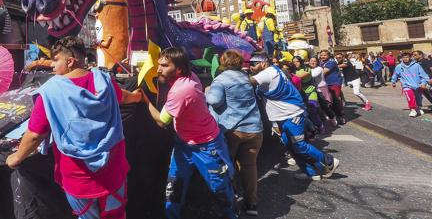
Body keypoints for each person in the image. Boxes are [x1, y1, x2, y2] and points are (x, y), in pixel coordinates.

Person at [6, 36, 143, 219]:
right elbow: (123, 96)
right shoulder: (104, 81)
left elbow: (35, 135)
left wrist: (17, 157)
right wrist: (136, 97)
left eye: (55, 60)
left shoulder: (50, 91)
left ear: (70, 61)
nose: (51, 66)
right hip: (113, 172)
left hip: (79, 179)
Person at [142, 47, 236, 219]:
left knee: (219, 188)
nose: (158, 69)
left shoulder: (182, 90)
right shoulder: (186, 76)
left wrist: (144, 99)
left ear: (178, 69)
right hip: (184, 144)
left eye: (164, 66)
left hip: (207, 146)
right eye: (158, 65)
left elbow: (162, 121)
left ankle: (231, 215)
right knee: (174, 187)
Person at [249, 53, 340, 181]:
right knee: (290, 146)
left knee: (299, 145)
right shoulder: (273, 70)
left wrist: (233, 74)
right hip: (282, 116)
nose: (251, 67)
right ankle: (311, 172)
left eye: (253, 64)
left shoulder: (267, 73)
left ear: (263, 63)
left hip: (291, 114)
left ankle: (329, 161)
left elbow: (247, 83)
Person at [206, 50, 262, 217]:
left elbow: (214, 100)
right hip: (254, 129)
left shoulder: (221, 79)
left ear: (223, 62)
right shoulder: (245, 78)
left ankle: (231, 202)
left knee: (226, 166)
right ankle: (251, 203)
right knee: (249, 166)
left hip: (232, 130)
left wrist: (208, 89)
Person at [391, 52, 430, 117]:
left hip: (417, 85)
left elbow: (424, 75)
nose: (405, 59)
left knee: (418, 98)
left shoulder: (417, 65)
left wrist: (424, 83)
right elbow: (395, 74)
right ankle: (413, 110)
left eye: (407, 57)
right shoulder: (399, 67)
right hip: (406, 85)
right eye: (404, 57)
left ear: (410, 57)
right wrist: (393, 81)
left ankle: (418, 108)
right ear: (401, 58)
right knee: (410, 96)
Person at [291, 56, 324, 133]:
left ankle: (320, 125)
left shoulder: (307, 68)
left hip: (311, 92)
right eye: (294, 62)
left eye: (297, 61)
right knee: (304, 112)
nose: (295, 63)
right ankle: (311, 128)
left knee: (313, 110)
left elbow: (299, 77)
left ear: (301, 62)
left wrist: (289, 75)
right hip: (301, 94)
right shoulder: (293, 70)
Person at [319, 50, 346, 125]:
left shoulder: (331, 62)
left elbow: (323, 72)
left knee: (336, 101)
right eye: (321, 55)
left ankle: (341, 116)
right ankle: (333, 115)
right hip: (326, 84)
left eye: (324, 55)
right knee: (329, 101)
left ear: (328, 55)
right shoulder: (322, 62)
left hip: (334, 83)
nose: (323, 56)